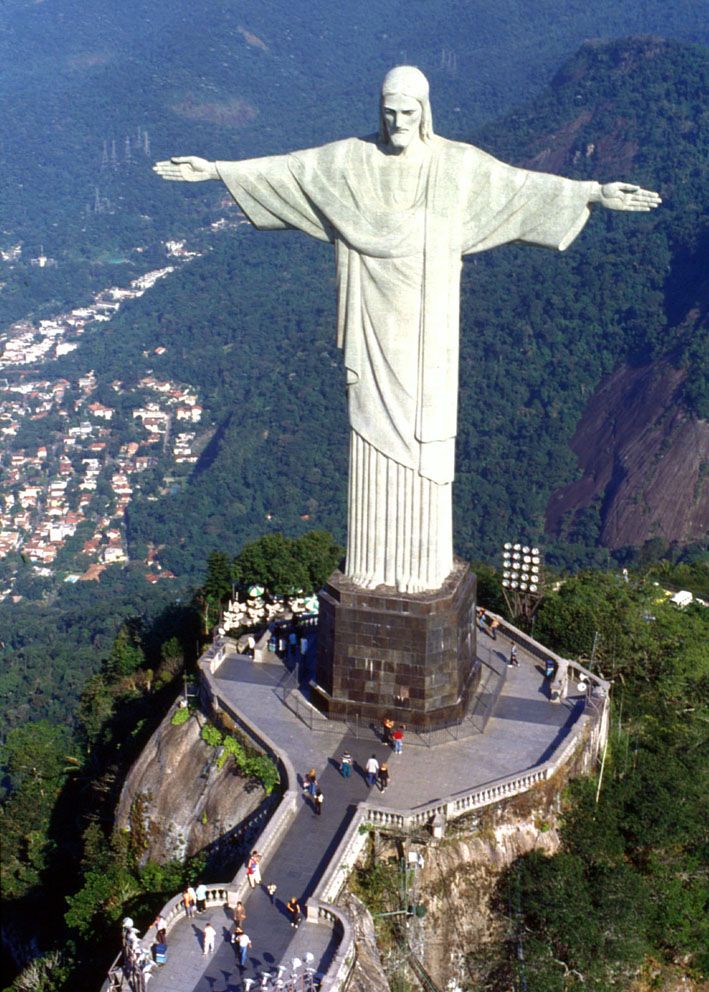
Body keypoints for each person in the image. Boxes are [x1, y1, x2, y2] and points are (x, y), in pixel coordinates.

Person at [155, 66, 659, 596]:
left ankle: (422, 569)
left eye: (408, 113)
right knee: (370, 432)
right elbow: (292, 171)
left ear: (425, 113)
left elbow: (520, 186)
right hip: (371, 324)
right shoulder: (351, 161)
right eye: (389, 112)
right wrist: (217, 170)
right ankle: (370, 565)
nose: (398, 122)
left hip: (427, 332)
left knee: (424, 440)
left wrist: (592, 193)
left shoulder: (455, 165)